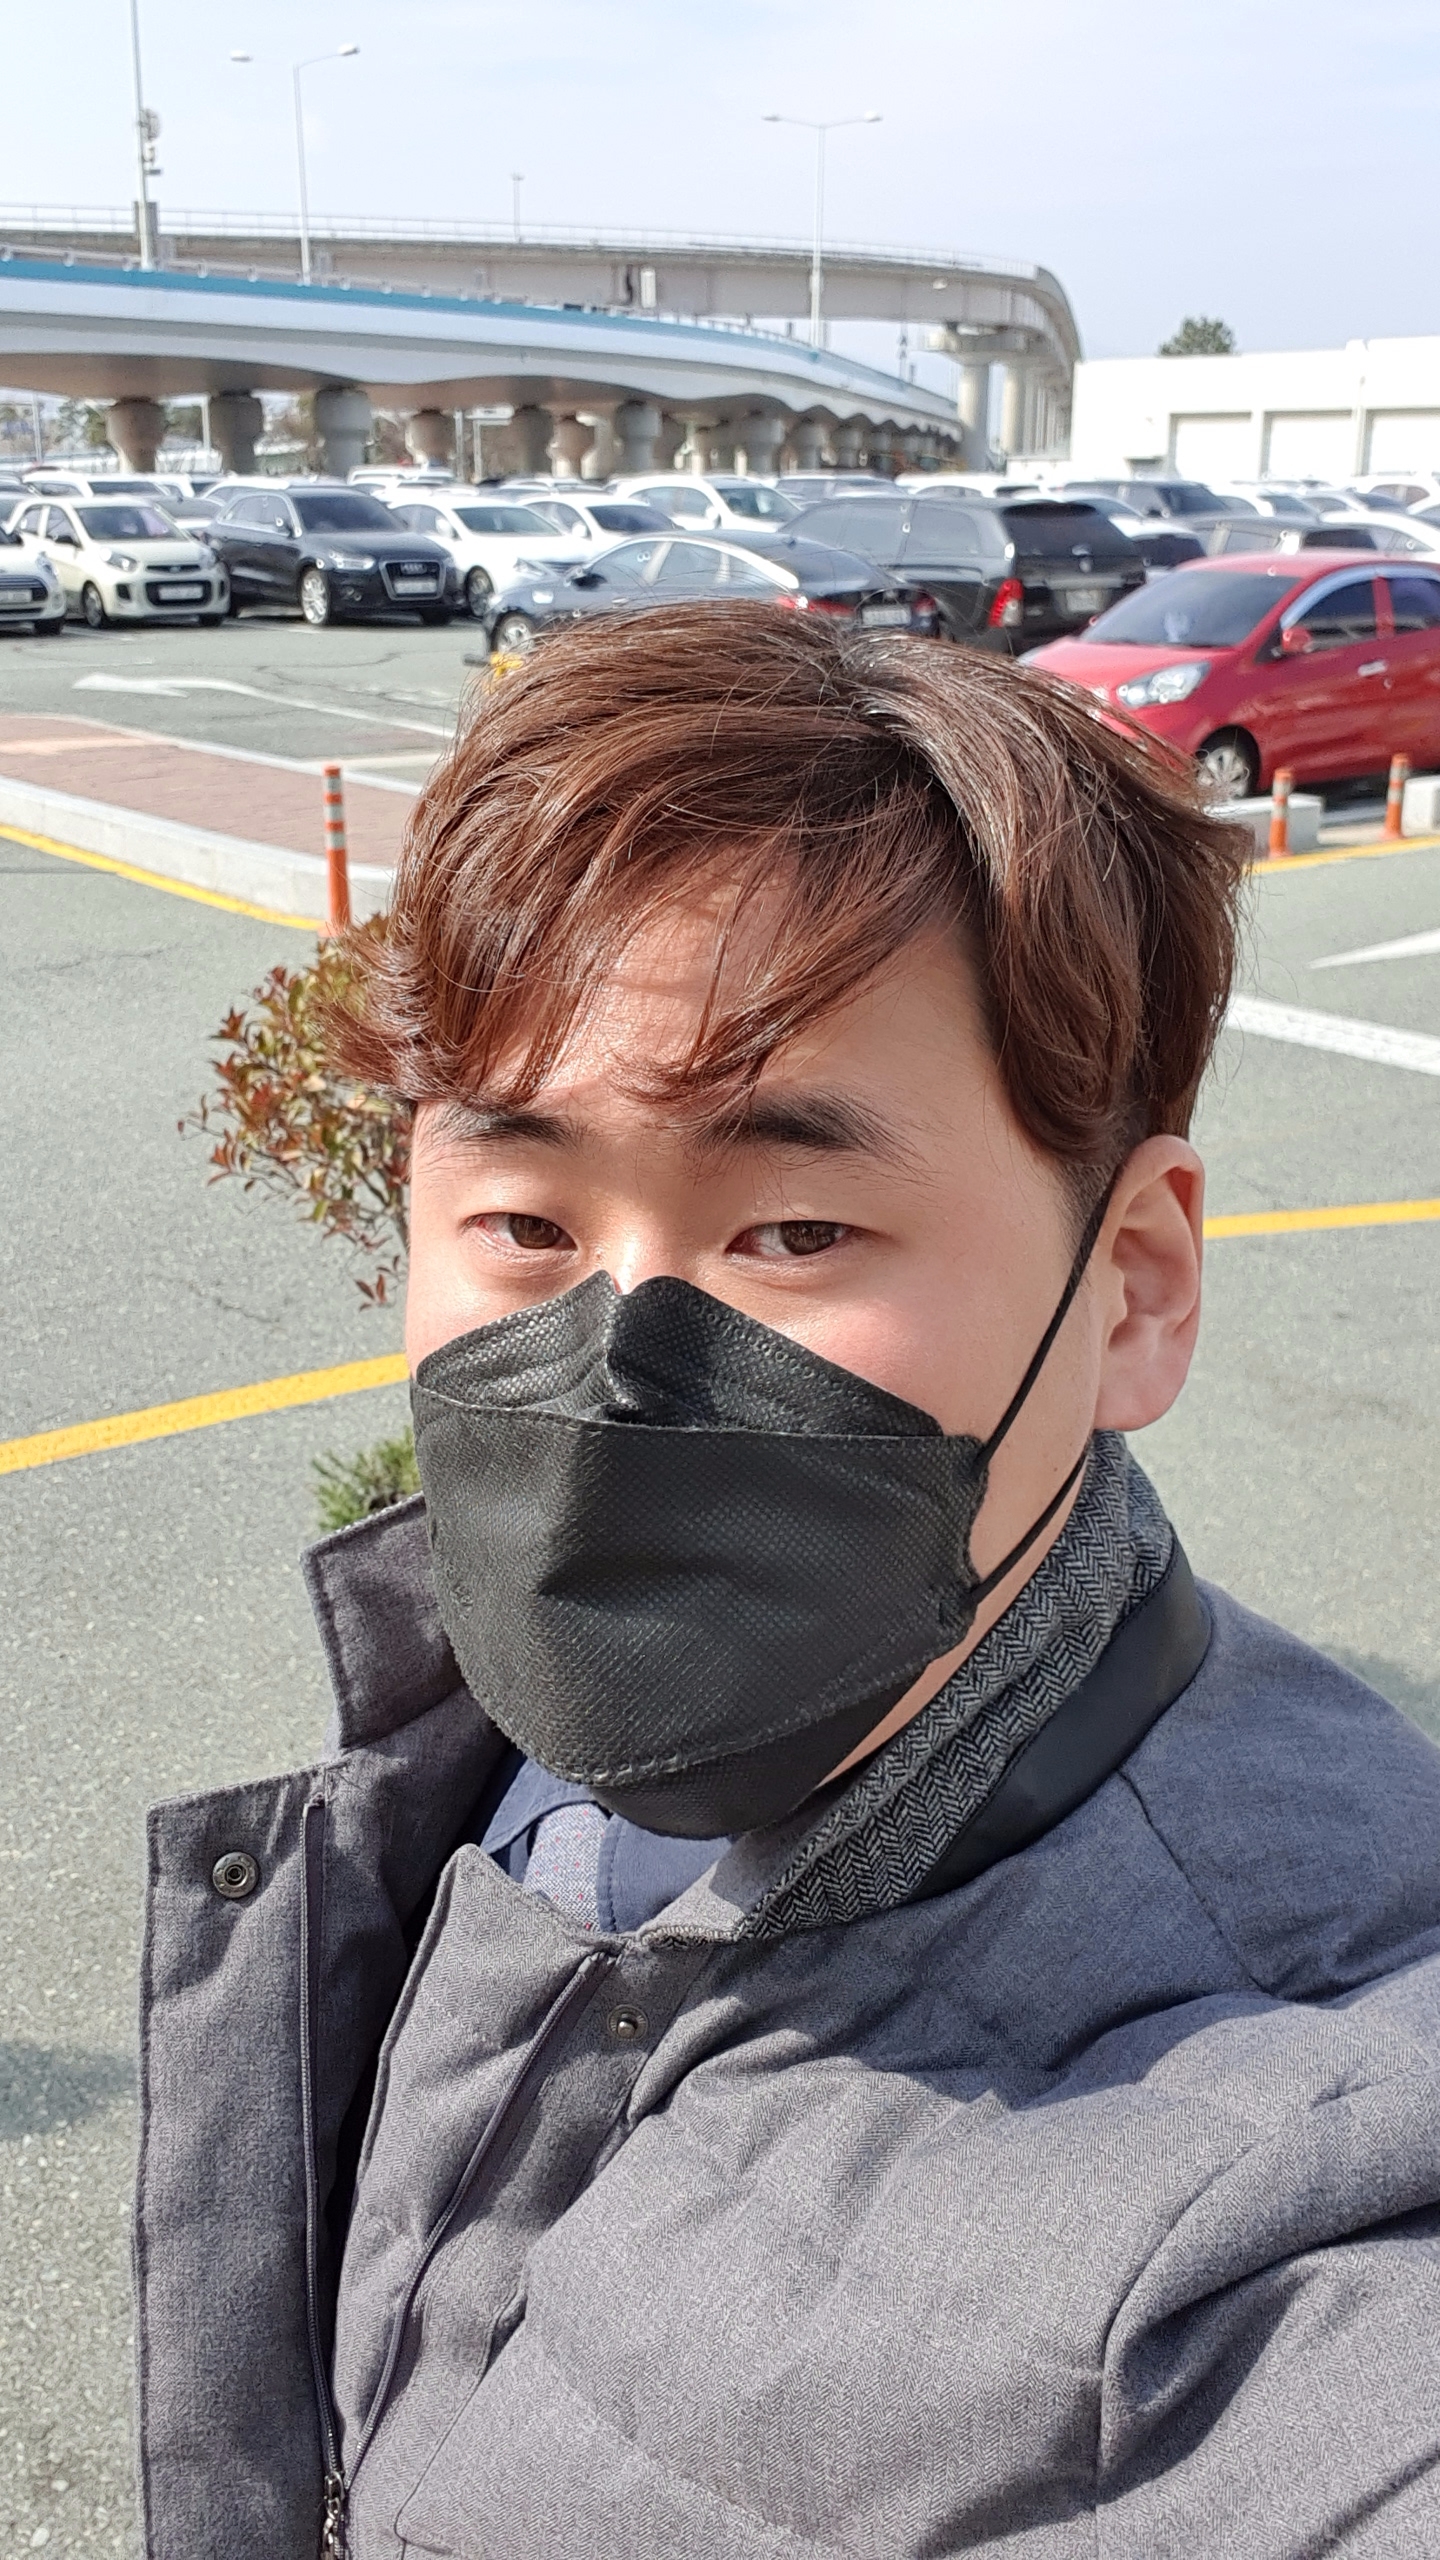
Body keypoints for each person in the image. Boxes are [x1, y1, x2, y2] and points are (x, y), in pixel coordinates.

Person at [135, 608, 1440, 2560]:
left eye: (798, 1228)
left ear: (1134, 1287)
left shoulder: (1284, 2212)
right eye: (523, 1218)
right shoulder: (483, 1745)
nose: (613, 1376)